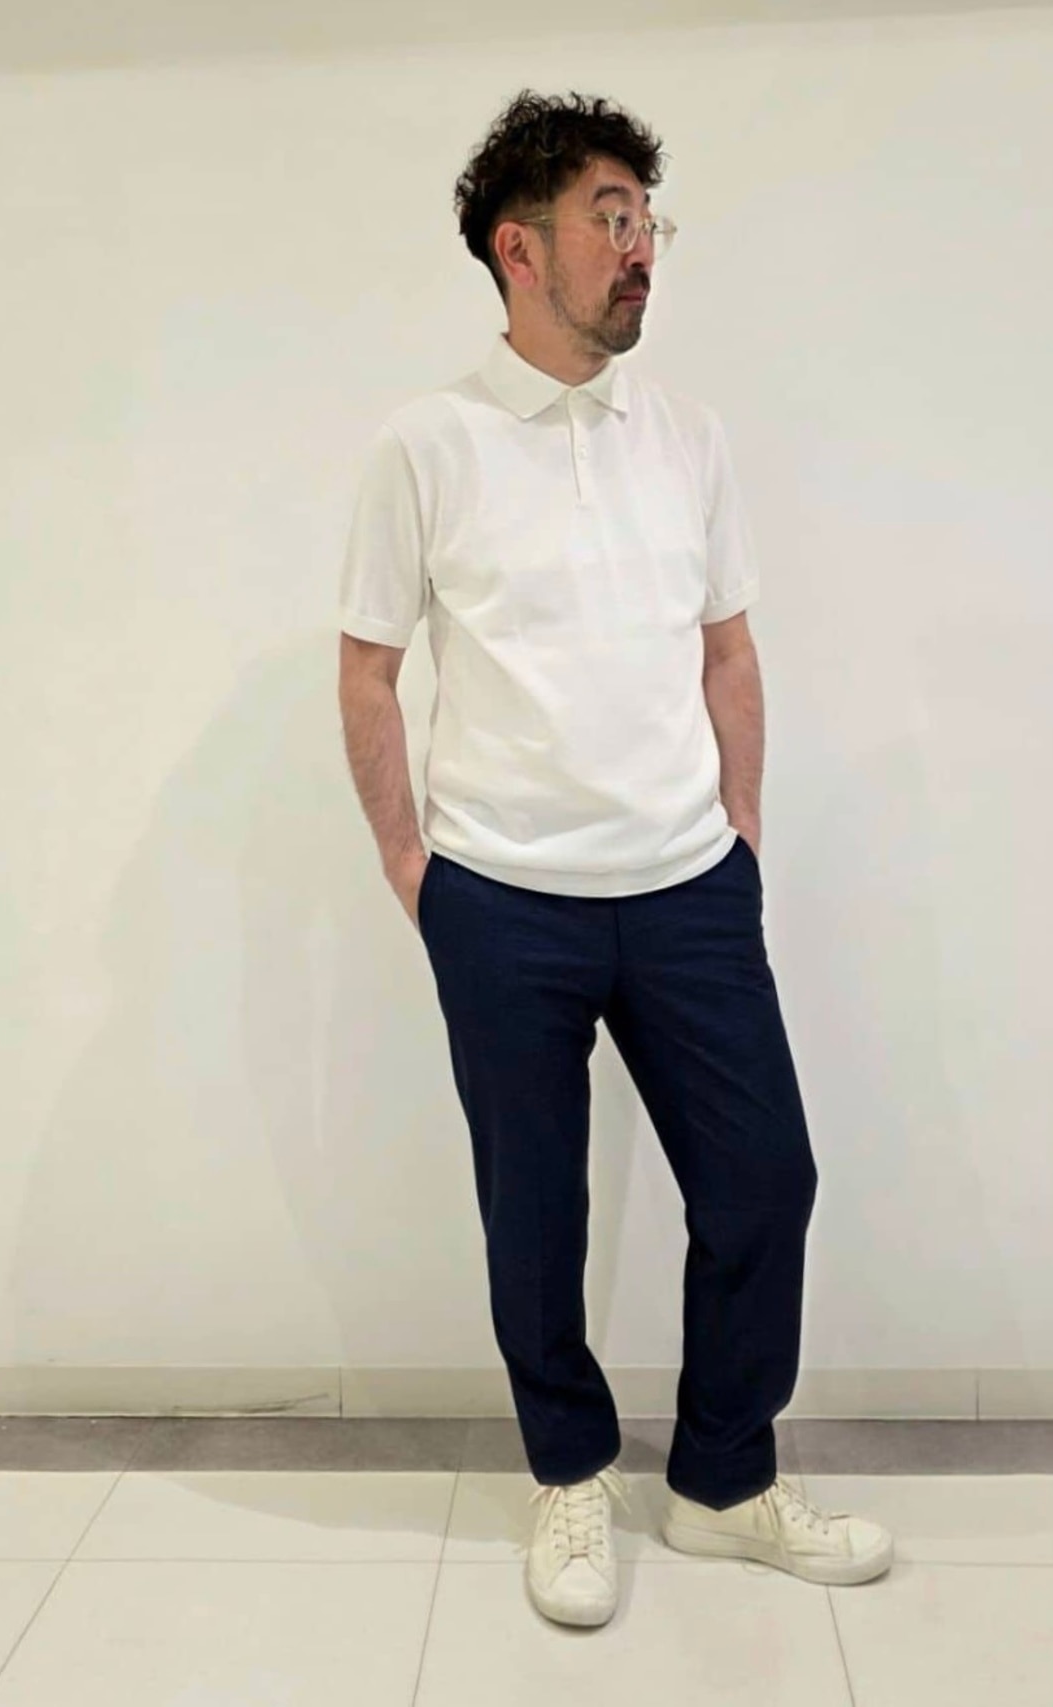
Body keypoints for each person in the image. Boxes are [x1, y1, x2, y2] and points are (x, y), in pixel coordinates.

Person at [338, 89, 893, 1629]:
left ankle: (722, 1482)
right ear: (518, 250)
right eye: (610, 217)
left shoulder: (689, 436)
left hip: (686, 888)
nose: (642, 247)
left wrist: (740, 836)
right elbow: (369, 668)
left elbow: (729, 648)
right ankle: (570, 1476)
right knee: (538, 1217)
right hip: (502, 898)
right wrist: (413, 869)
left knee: (766, 1183)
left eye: (649, 217)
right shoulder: (426, 445)